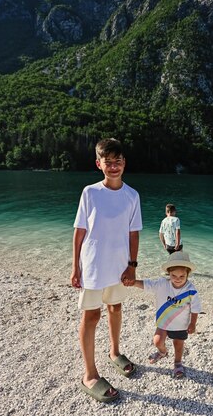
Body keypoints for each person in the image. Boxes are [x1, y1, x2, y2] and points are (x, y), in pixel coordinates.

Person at [70, 138, 142, 403]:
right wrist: (75, 266)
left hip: (120, 265)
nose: (113, 167)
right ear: (98, 164)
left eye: (118, 161)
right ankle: (89, 374)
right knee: (91, 317)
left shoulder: (132, 195)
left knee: (116, 308)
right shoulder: (90, 192)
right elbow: (79, 231)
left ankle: (114, 352)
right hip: (93, 266)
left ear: (124, 162)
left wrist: (132, 266)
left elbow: (134, 234)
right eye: (108, 162)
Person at [129, 251, 202, 378]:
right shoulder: (162, 284)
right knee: (157, 341)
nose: (177, 279)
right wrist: (133, 282)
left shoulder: (191, 290)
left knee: (178, 345)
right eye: (174, 276)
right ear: (168, 273)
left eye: (182, 276)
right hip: (164, 322)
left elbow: (195, 308)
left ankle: (178, 363)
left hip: (180, 325)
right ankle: (163, 352)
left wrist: (193, 323)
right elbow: (147, 284)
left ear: (188, 274)